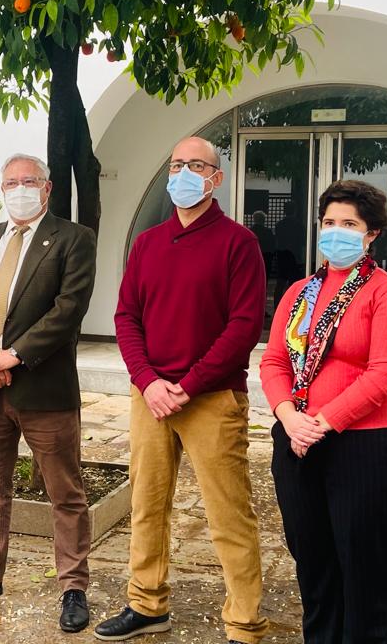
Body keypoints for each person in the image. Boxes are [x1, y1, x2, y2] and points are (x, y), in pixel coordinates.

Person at [98, 136, 268, 644]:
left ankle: (244, 622)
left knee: (228, 513)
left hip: (212, 398)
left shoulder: (239, 244)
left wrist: (187, 386)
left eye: (196, 165)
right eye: (176, 164)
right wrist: (148, 383)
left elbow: (243, 328)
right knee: (147, 504)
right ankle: (147, 604)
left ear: (216, 178)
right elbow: (126, 317)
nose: (184, 173)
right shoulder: (148, 243)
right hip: (149, 397)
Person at [0, 153, 97, 634]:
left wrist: (14, 355)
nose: (19, 188)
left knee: (64, 493)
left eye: (29, 180)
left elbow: (68, 309)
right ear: (1, 188)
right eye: (11, 181)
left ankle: (73, 585)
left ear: (46, 188)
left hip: (44, 390)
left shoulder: (74, 239)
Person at [259, 180, 387, 644]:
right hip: (297, 441)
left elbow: (384, 375)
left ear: (371, 234)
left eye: (349, 224)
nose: (336, 232)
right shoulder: (299, 293)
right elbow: (273, 361)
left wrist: (322, 422)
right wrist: (289, 417)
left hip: (366, 448)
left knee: (367, 570)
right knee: (314, 563)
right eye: (329, 223)